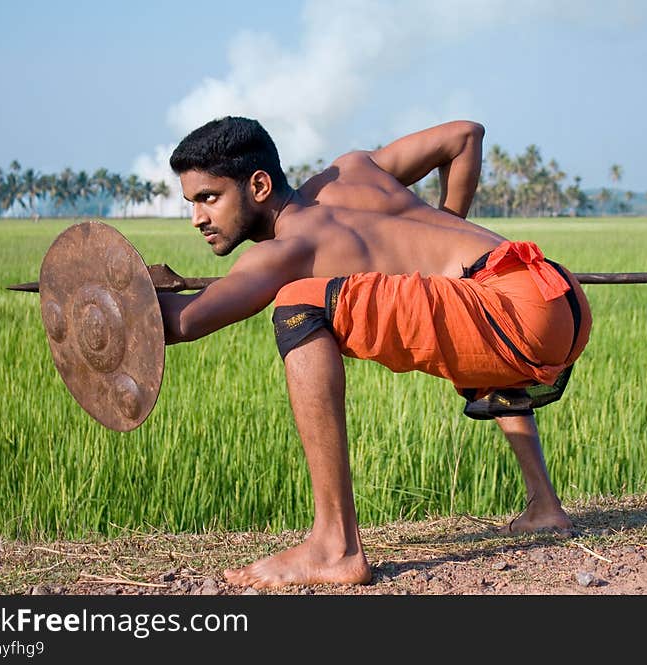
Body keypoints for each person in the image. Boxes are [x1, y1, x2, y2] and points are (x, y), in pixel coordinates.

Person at [158, 116, 592, 589]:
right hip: (552, 289)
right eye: (191, 203)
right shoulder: (351, 170)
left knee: (297, 302)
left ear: (259, 184)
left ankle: (334, 547)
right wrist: (448, 229)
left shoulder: (288, 248)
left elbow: (184, 321)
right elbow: (465, 135)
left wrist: (126, 291)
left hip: (514, 315)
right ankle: (544, 506)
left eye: (209, 198)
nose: (198, 217)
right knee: (459, 311)